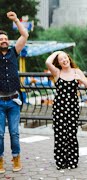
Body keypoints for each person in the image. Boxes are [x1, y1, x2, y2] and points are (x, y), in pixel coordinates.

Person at [45, 51, 87, 170]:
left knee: (71, 134)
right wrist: (58, 52)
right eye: (61, 59)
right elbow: (47, 62)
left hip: (72, 107)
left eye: (65, 57)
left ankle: (72, 161)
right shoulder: (57, 72)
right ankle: (60, 161)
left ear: (69, 58)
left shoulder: (77, 71)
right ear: (59, 62)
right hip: (59, 108)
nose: (64, 60)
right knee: (60, 134)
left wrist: (81, 79)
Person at [0, 11, 29, 173]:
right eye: (1, 39)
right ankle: (0, 160)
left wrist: (16, 20)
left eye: (5, 39)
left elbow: (25, 35)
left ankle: (16, 157)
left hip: (13, 101)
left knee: (14, 132)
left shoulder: (13, 52)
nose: (4, 41)